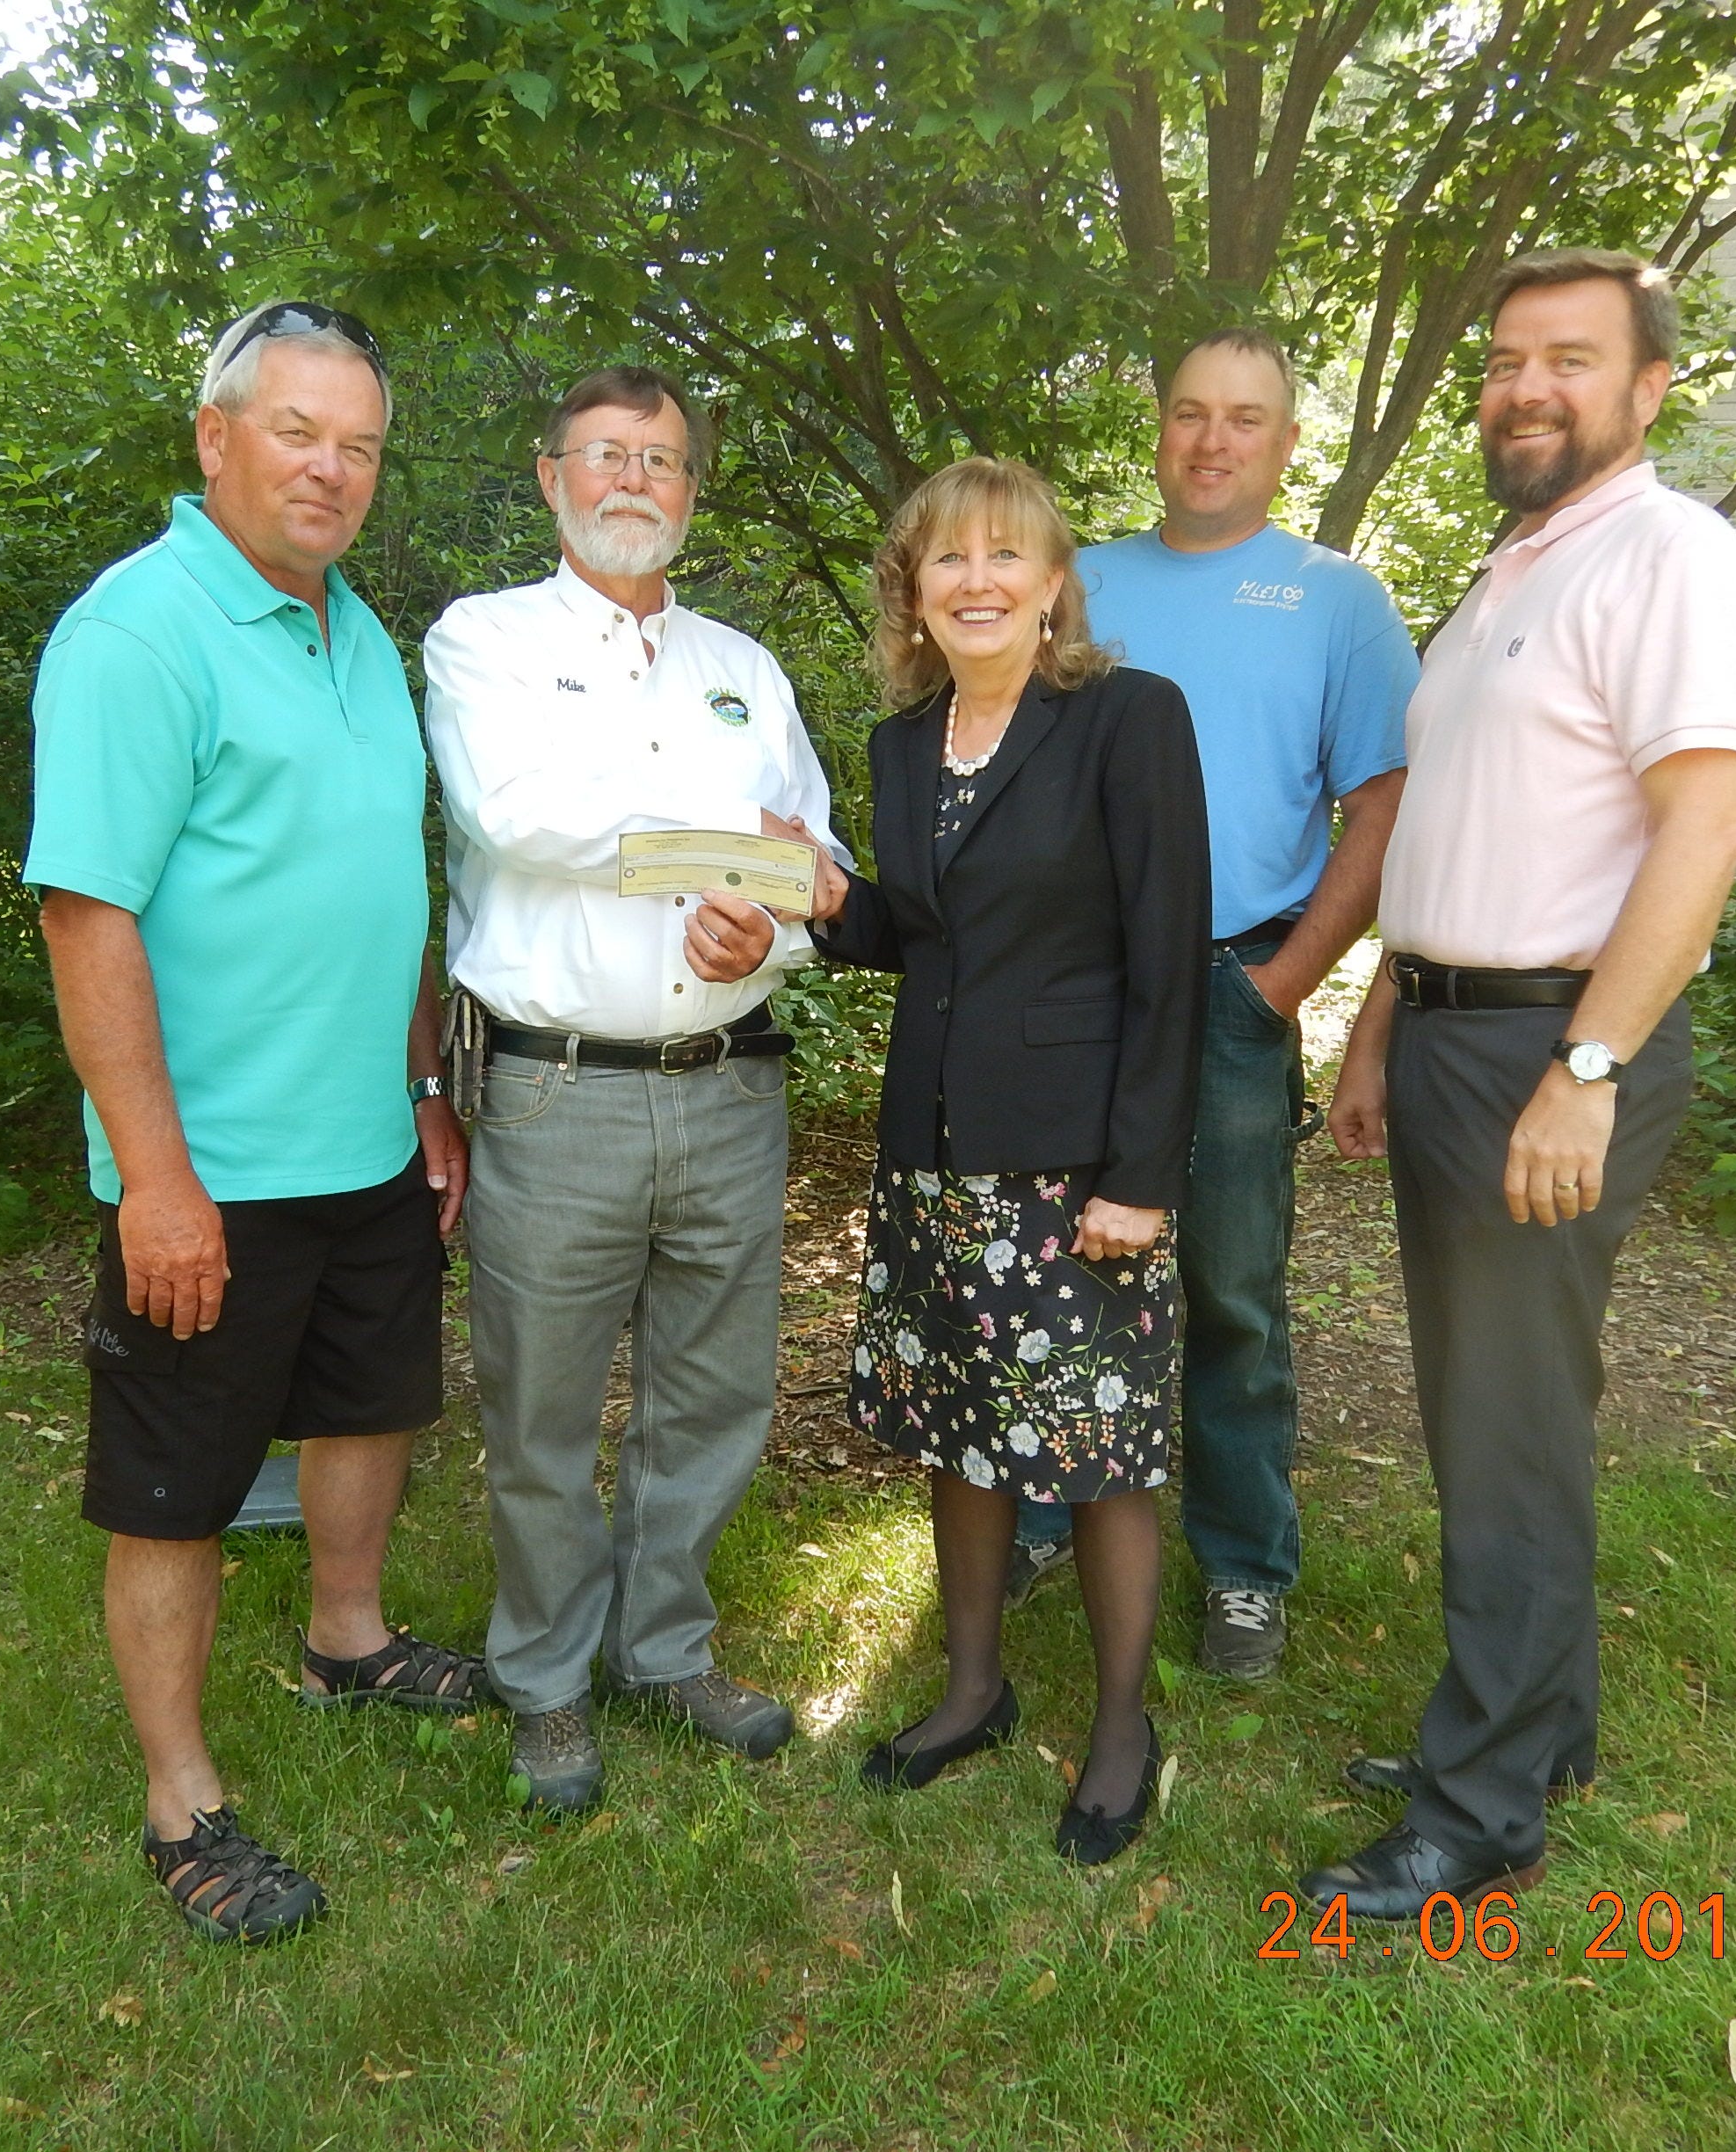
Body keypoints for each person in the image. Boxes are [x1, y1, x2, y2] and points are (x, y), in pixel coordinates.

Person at [1298, 251, 1736, 1918]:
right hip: (1452, 1035)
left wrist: (1586, 1065)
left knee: (1498, 1428)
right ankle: (1540, 1724)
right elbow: (1445, 831)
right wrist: (1372, 1030)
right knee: (1510, 1411)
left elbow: (1699, 831)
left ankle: (1478, 1810)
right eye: (1507, 361)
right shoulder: (1515, 569)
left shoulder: (1671, 557)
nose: (1525, 387)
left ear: (1648, 389)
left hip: (1546, 1049)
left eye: (1570, 359)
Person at [26, 302, 478, 1945]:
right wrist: (155, 1179)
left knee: (371, 1404)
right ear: (215, 438)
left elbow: (387, 889)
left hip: (365, 1143)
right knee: (177, 1483)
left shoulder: (354, 628)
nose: (332, 470)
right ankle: (182, 1801)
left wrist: (425, 1087)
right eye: (299, 433)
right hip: (206, 1167)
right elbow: (89, 915)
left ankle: (346, 1639)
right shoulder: (139, 634)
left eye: (359, 445)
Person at [423, 366, 844, 1814]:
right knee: (539, 1407)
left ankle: (664, 1649)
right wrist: (719, 857)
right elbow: (516, 812)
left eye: (661, 462)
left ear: (690, 493)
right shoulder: (485, 643)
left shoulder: (745, 667)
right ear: (551, 478)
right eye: (606, 455)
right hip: (559, 1094)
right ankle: (544, 1680)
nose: (632, 481)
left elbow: (811, 857)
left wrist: (767, 923)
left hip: (729, 1087)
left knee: (712, 1394)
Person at [807, 456, 1210, 1865]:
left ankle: (1118, 1727)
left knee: (1099, 1453)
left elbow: (1169, 959)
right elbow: (924, 938)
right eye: (946, 561)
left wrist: (1142, 1176)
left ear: (1052, 585)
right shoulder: (903, 745)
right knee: (960, 1431)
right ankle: (972, 1688)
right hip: (932, 1156)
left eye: (1005, 557)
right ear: (911, 594)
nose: (976, 581)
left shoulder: (1125, 721)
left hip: (1077, 1167)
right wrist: (828, 900)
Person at [1006, 327, 1416, 1681]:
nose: (1214, 440)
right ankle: (1054, 1507)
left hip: (1238, 984)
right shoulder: (1084, 584)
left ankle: (1244, 1566)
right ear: (1161, 425)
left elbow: (1384, 808)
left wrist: (1285, 981)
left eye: (1247, 418)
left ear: (1288, 443)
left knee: (1232, 1290)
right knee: (1067, 1267)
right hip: (1080, 989)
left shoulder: (1337, 599)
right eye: (1191, 412)